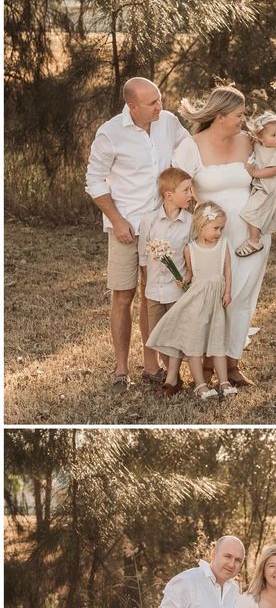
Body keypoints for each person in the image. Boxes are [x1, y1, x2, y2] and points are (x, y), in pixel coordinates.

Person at [85, 77, 189, 392]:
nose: (161, 106)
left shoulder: (168, 122)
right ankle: (120, 369)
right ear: (132, 106)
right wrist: (116, 220)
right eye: (152, 103)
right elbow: (94, 181)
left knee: (151, 295)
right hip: (125, 227)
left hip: (161, 227)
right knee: (123, 295)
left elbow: (191, 150)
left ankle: (151, 365)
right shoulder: (110, 133)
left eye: (160, 100)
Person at [173, 86, 270, 388]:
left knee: (241, 298)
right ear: (220, 116)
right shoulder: (191, 146)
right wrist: (194, 223)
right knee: (212, 297)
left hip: (251, 234)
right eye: (239, 115)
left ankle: (232, 363)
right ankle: (204, 365)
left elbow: (268, 175)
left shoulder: (249, 142)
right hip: (212, 237)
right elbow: (178, 188)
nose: (244, 120)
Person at [146, 201, 235, 401]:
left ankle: (224, 382)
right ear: (201, 225)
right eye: (215, 228)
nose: (219, 232)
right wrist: (183, 279)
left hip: (216, 302)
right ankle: (200, 385)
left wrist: (228, 292)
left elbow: (227, 270)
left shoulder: (222, 246)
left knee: (217, 341)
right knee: (195, 342)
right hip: (196, 302)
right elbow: (190, 273)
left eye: (221, 228)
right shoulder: (190, 249)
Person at [137, 168, 194, 389]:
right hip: (154, 290)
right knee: (157, 335)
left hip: (176, 290)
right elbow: (143, 255)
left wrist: (188, 276)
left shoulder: (189, 222)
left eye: (191, 189)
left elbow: (191, 255)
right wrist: (145, 282)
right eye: (186, 190)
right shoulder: (150, 220)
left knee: (176, 334)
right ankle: (172, 374)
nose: (191, 194)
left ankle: (173, 377)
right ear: (169, 195)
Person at [235, 111, 276, 257]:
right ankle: (255, 237)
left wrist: (254, 173)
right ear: (261, 137)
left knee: (252, 211)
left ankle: (254, 241)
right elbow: (250, 138)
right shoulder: (257, 144)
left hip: (270, 188)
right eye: (273, 135)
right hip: (261, 186)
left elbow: (274, 170)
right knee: (256, 211)